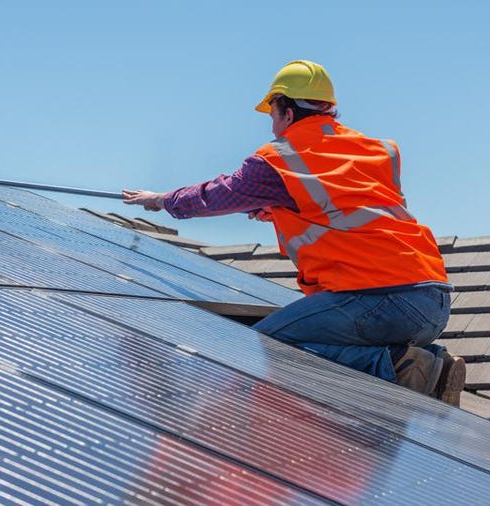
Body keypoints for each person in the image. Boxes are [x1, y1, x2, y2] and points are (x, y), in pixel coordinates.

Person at [122, 60, 465, 406]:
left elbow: (220, 194)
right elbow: (347, 208)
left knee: (265, 347)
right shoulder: (371, 150)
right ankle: (433, 363)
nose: (272, 128)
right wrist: (276, 209)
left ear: (286, 110)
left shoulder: (280, 158)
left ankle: (398, 366)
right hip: (433, 301)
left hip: (379, 302)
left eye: (272, 115)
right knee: (298, 339)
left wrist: (164, 200)